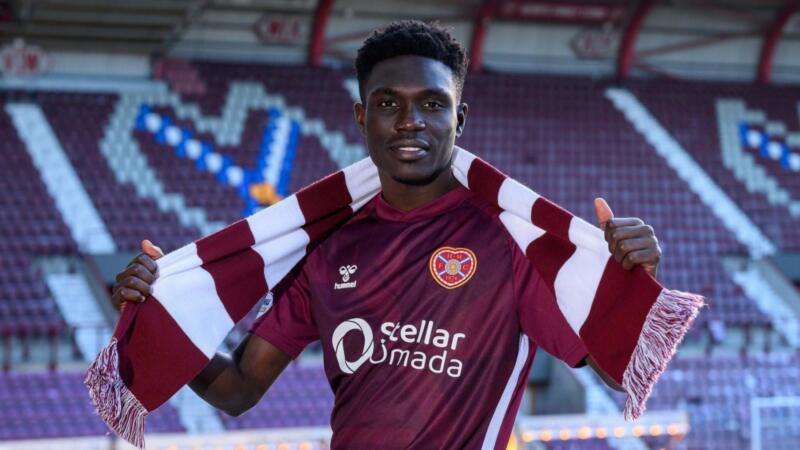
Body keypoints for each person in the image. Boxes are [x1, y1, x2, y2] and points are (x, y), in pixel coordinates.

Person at [112, 20, 662, 449]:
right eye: (387, 103)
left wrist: (632, 282)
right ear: (361, 118)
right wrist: (157, 313)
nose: (409, 120)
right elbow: (238, 389)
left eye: (432, 104)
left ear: (459, 119)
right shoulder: (328, 247)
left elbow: (617, 372)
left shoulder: (511, 241)